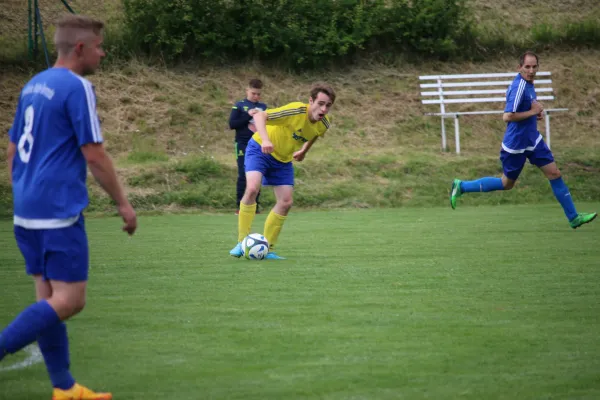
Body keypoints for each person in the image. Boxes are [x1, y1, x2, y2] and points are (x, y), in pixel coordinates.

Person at [1, 14, 137, 400]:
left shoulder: (34, 84)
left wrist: (26, 189)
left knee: (48, 299)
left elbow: (12, 151)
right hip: (58, 209)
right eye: (99, 46)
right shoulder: (76, 87)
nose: (103, 52)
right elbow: (94, 154)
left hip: (27, 208)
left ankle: (64, 388)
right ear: (80, 48)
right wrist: (123, 204)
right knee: (70, 300)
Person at [449, 51, 596, 229]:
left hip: (532, 140)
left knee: (555, 173)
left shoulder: (529, 84)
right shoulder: (519, 86)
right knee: (506, 184)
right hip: (516, 145)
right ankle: (462, 186)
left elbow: (527, 109)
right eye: (527, 67)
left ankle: (574, 218)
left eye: (534, 67)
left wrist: (535, 115)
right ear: (519, 68)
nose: (531, 70)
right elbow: (507, 116)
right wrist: (533, 112)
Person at [229, 83, 336, 259]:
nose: (324, 108)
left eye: (328, 105)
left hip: (283, 159)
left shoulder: (324, 122)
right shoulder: (295, 111)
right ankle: (241, 242)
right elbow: (260, 116)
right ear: (311, 101)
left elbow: (316, 133)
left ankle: (267, 248)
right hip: (260, 149)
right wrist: (265, 140)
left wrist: (304, 151)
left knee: (286, 202)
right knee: (252, 189)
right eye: (320, 103)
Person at [228, 79, 267, 214]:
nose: (256, 97)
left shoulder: (263, 107)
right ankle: (240, 207)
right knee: (243, 175)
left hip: (258, 145)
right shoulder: (239, 105)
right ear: (247, 91)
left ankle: (254, 206)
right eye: (253, 93)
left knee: (257, 175)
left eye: (258, 94)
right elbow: (232, 124)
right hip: (243, 144)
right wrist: (247, 115)